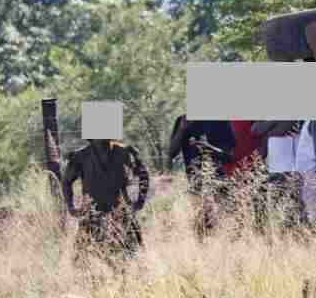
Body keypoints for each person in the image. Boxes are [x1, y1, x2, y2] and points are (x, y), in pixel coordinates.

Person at [62, 138, 151, 272]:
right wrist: (71, 206)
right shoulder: (80, 156)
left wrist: (140, 201)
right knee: (83, 263)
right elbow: (66, 181)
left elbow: (143, 174)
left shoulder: (124, 152)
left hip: (121, 214)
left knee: (133, 260)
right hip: (92, 215)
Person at [169, 115, 235, 237]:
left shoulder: (221, 121)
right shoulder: (183, 120)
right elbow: (172, 152)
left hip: (218, 183)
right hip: (195, 184)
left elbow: (229, 156)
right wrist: (182, 129)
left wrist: (208, 148)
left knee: (223, 227)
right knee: (200, 230)